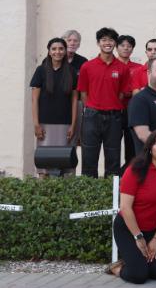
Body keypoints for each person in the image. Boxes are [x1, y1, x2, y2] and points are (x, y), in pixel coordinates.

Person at [108, 128, 156, 284]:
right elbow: (125, 208)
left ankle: (138, 261)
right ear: (150, 147)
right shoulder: (135, 170)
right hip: (129, 229)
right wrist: (138, 237)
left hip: (154, 230)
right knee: (138, 276)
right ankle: (117, 268)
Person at [77, 27, 131, 177]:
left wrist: (110, 104)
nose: (107, 43)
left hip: (114, 117)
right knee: (89, 156)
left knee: (113, 157)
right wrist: (93, 107)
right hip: (92, 116)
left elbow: (121, 93)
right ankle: (89, 195)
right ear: (98, 43)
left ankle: (111, 195)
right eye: (104, 40)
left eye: (111, 40)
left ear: (115, 43)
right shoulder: (87, 66)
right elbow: (83, 93)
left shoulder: (122, 68)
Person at [31, 38, 79, 174]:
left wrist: (73, 125)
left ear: (65, 51)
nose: (57, 52)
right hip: (45, 124)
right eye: (54, 49)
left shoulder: (71, 71)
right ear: (49, 51)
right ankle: (43, 193)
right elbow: (34, 99)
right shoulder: (40, 71)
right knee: (44, 164)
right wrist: (36, 125)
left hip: (65, 124)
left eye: (61, 49)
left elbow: (75, 100)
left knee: (64, 163)